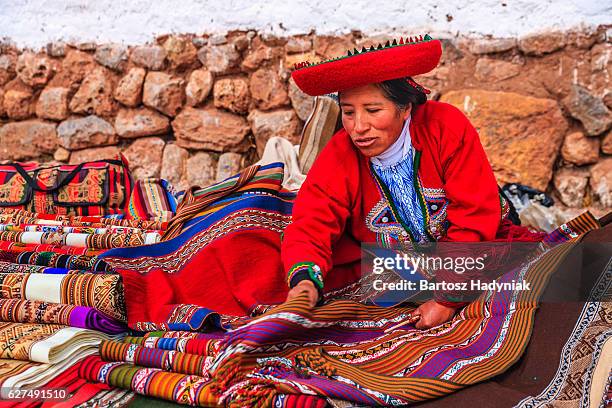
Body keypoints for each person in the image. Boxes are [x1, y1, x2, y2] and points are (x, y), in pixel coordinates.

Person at [282, 35, 544, 329]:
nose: (358, 127)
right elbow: (311, 222)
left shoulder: (445, 126)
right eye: (348, 112)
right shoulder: (340, 154)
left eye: (372, 110)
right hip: (399, 262)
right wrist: (304, 282)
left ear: (405, 108)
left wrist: (447, 299)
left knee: (531, 287)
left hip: (476, 243)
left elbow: (473, 216)